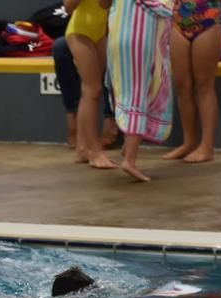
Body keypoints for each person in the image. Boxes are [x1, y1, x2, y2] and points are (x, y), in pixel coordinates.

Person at [106, 0, 175, 181]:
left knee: (132, 88)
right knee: (138, 91)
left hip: (119, 30)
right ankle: (130, 159)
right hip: (139, 34)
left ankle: (129, 145)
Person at [164, 0, 221, 163]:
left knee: (204, 85)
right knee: (182, 86)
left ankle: (207, 146)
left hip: (207, 20)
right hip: (177, 21)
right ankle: (189, 142)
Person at [63, 0, 115, 168]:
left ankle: (82, 148)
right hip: (79, 32)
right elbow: (68, 7)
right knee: (93, 90)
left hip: (98, 33)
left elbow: (104, 5)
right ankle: (95, 152)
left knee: (91, 92)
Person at [51, 35, 118, 150]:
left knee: (111, 50)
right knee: (60, 47)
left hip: (109, 30)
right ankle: (73, 115)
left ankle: (111, 116)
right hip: (83, 30)